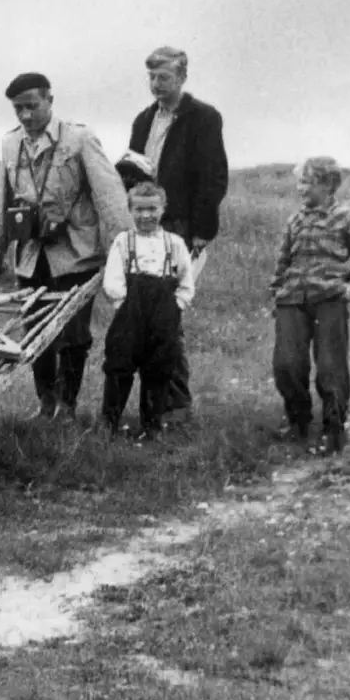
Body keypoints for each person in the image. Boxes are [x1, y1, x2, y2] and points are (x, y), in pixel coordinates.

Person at [0, 72, 132, 420]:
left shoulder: (80, 139)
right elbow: (3, 197)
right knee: (36, 331)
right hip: (30, 255)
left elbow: (110, 196)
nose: (25, 116)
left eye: (32, 106)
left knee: (73, 334)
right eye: (18, 109)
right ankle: (45, 403)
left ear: (50, 100)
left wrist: (125, 249)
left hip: (75, 255)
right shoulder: (10, 143)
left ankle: (68, 406)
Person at [115, 47, 229, 421]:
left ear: (182, 77)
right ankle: (160, 406)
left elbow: (213, 178)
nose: (156, 84)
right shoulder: (143, 120)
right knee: (144, 316)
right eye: (151, 77)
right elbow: (133, 173)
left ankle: (174, 406)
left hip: (181, 227)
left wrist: (201, 231)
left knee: (168, 316)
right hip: (146, 224)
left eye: (164, 77)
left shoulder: (203, 118)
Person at [270, 156, 350, 455]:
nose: (300, 188)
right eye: (300, 182)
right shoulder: (295, 221)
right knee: (286, 365)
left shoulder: (348, 218)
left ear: (327, 185)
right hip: (291, 301)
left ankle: (335, 428)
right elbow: (283, 262)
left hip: (329, 301)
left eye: (306, 182)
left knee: (331, 367)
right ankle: (298, 421)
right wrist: (277, 292)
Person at [98, 182, 195, 440]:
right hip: (131, 312)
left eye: (152, 209)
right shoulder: (123, 241)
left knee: (159, 367)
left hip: (164, 314)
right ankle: (109, 421)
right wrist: (122, 305)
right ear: (130, 210)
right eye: (139, 210)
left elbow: (186, 281)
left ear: (162, 209)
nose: (145, 216)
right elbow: (113, 279)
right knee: (119, 364)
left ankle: (152, 426)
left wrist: (177, 306)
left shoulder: (174, 243)